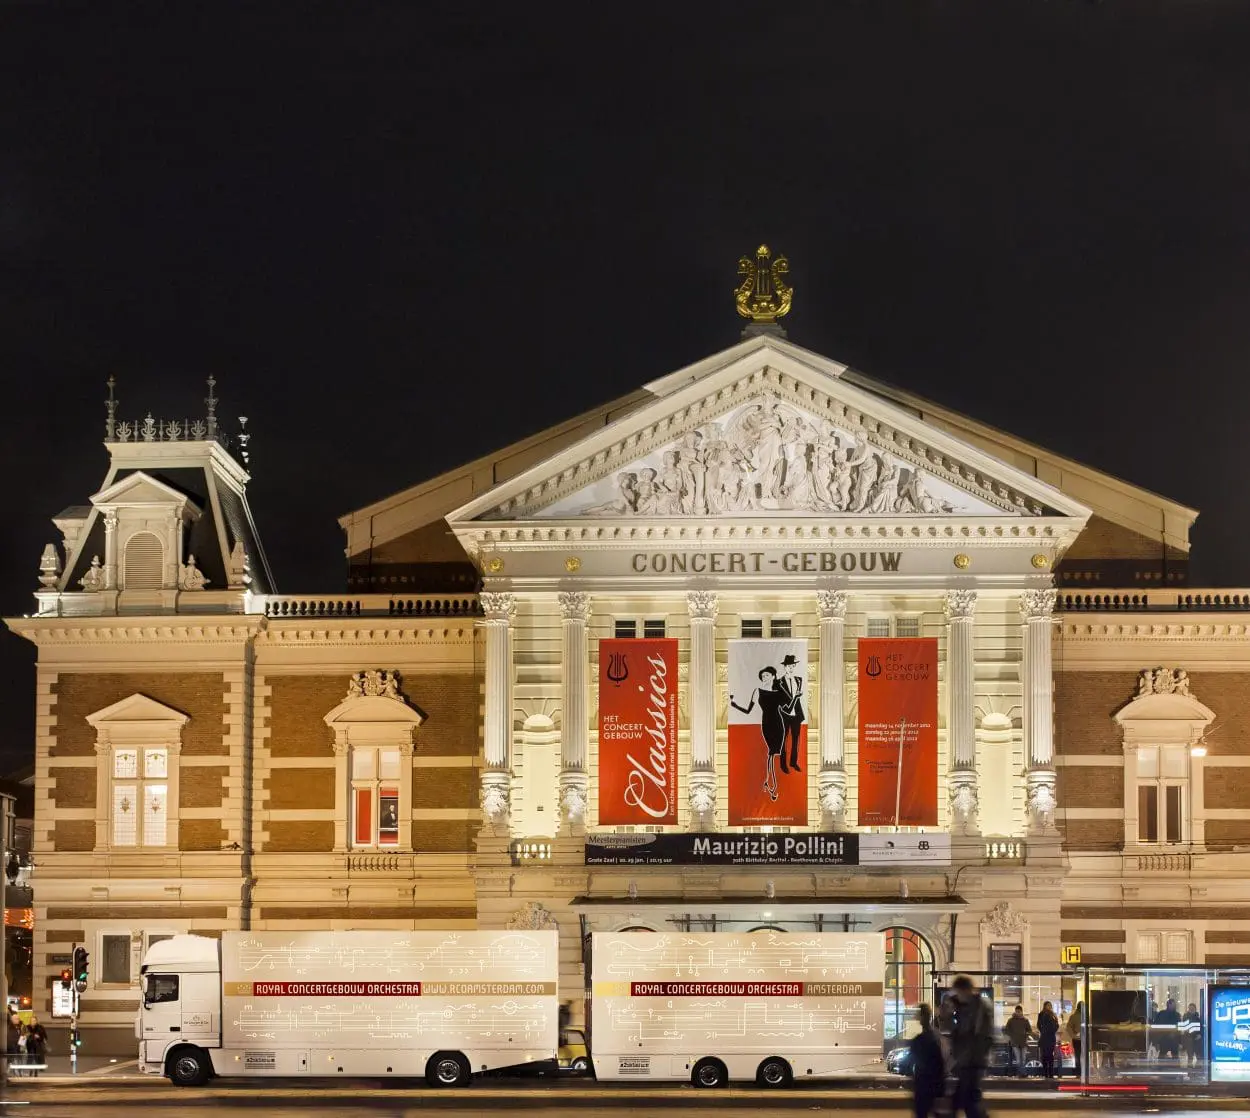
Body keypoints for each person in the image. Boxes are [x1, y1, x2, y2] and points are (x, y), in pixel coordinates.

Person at [731, 667, 788, 800]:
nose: (764, 677)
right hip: (767, 724)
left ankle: (769, 782)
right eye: (762, 676)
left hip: (779, 724)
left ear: (773, 676)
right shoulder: (757, 691)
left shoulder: (779, 693)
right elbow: (747, 710)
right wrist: (734, 705)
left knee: (775, 754)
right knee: (772, 753)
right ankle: (772, 786)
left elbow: (788, 709)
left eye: (767, 675)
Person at [948, 975, 993, 1118]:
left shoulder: (978, 1008)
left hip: (972, 1061)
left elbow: (975, 1035)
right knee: (967, 1101)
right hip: (968, 1061)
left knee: (964, 1102)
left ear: (965, 991)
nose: (957, 996)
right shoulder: (967, 1007)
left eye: (958, 992)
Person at [908, 1004, 947, 1118]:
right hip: (936, 1084)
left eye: (918, 1014)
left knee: (922, 1113)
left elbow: (914, 1062)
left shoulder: (920, 1040)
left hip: (924, 1084)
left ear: (922, 1016)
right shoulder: (937, 1036)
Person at [776, 653, 805, 773]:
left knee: (796, 739)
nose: (791, 668)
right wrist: (796, 697)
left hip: (797, 714)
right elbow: (782, 702)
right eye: (789, 666)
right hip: (785, 714)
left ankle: (793, 762)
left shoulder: (799, 680)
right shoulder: (779, 682)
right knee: (784, 739)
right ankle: (783, 764)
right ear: (784, 667)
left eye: (793, 666)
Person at [1004, 1003, 1034, 1077]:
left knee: (1023, 1059)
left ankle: (1021, 1073)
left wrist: (1026, 1035)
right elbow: (1006, 1030)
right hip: (1015, 1043)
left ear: (1022, 1011)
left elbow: (1029, 1030)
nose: (1018, 1013)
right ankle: (1023, 1073)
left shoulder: (1025, 1020)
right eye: (1017, 1011)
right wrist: (1012, 1036)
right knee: (1018, 1059)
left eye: (1019, 1011)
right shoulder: (1011, 1020)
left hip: (1023, 1042)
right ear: (1015, 1011)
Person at [1037, 1000, 1060, 1078]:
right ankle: (1046, 1072)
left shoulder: (1052, 1015)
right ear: (1045, 1006)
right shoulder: (1042, 1014)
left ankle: (1050, 1073)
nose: (1049, 1007)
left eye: (1050, 1005)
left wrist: (1054, 1029)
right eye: (1048, 1005)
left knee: (1050, 1056)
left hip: (1050, 1037)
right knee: (1045, 1056)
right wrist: (1043, 1031)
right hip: (1045, 1038)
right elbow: (1039, 1025)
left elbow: (1056, 1025)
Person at [1066, 1000, 1085, 1076]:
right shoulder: (1075, 1016)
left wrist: (1073, 1035)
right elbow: (1069, 1027)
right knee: (1080, 1056)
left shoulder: (1075, 1016)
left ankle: (1079, 1072)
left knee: (1078, 1055)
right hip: (1080, 1039)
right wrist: (1073, 1035)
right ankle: (1080, 1072)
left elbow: (1069, 1027)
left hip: (1080, 1039)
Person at [1181, 1001, 1202, 1068]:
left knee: (1198, 1055)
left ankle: (1197, 1069)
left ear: (1195, 1009)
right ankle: (1190, 1070)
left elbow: (1200, 1026)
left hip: (1196, 1038)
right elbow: (1185, 1027)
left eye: (1192, 1008)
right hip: (1189, 1038)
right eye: (1190, 1008)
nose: (1191, 1010)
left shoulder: (1198, 1017)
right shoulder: (1186, 1016)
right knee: (1190, 1055)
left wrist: (1199, 1034)